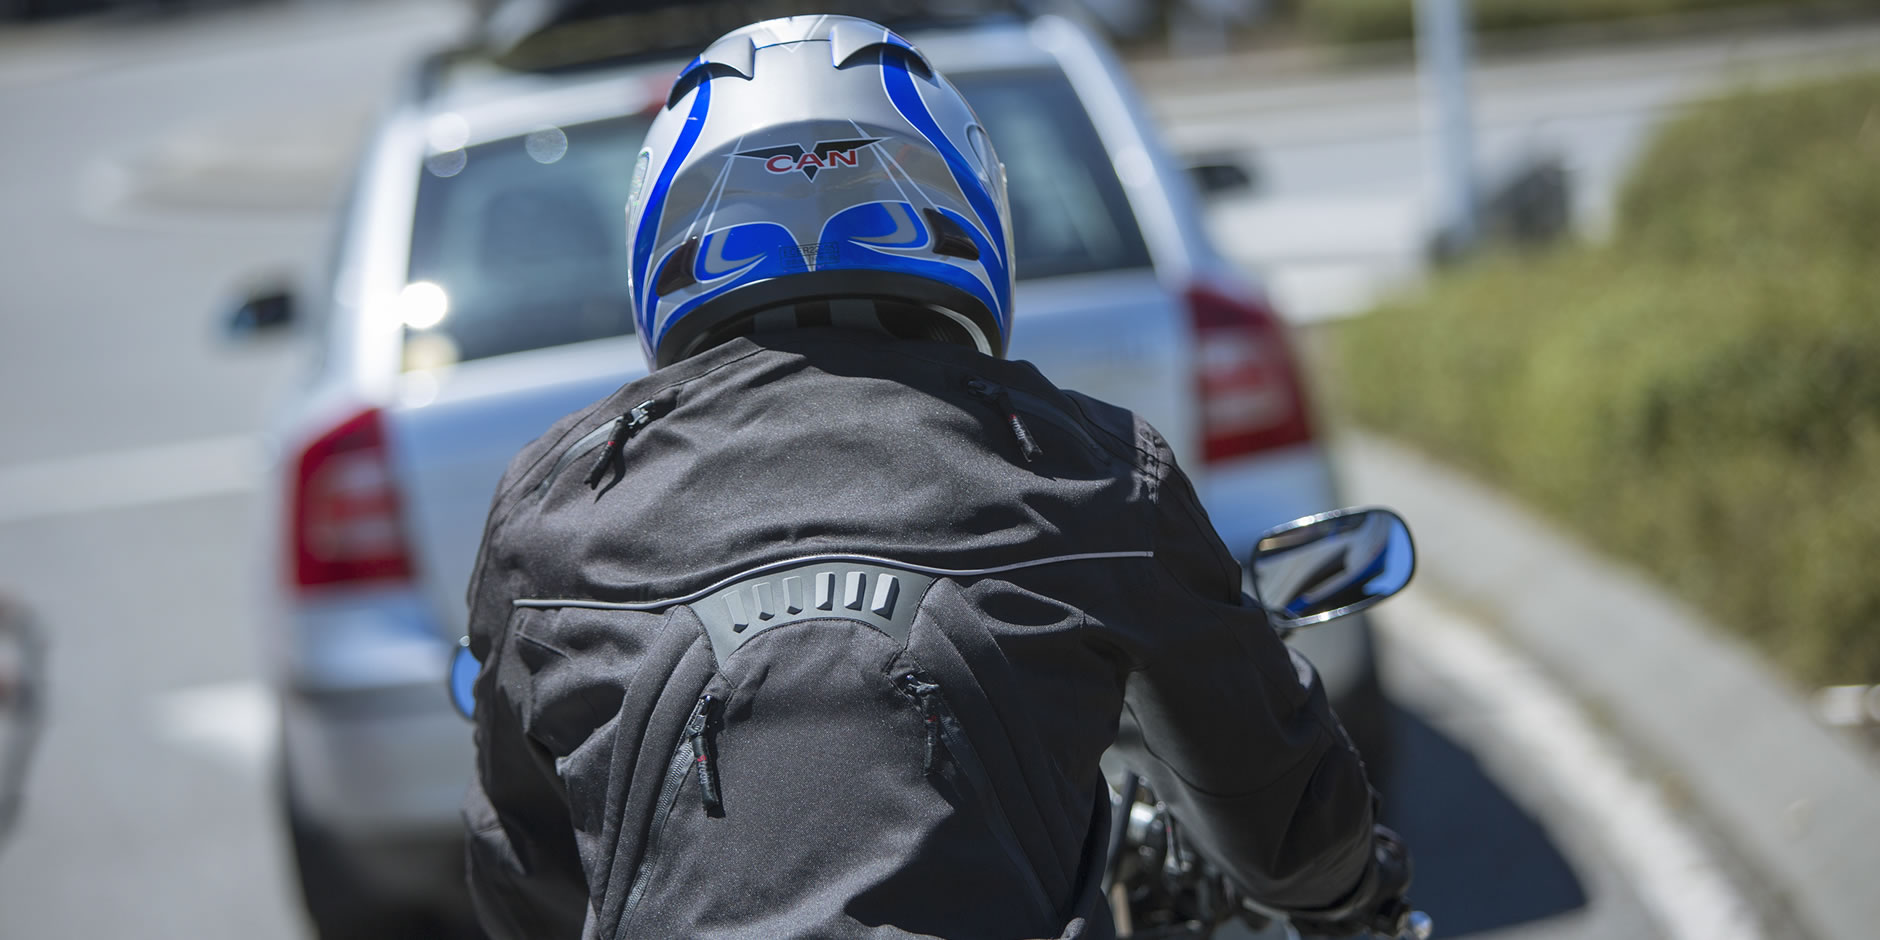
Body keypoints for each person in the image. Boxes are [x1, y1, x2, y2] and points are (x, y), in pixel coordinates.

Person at [460, 15, 1411, 940]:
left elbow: (525, 867)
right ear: (959, 204)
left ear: (666, 235)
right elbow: (1275, 812)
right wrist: (1359, 896)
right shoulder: (1090, 467)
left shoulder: (551, 509)